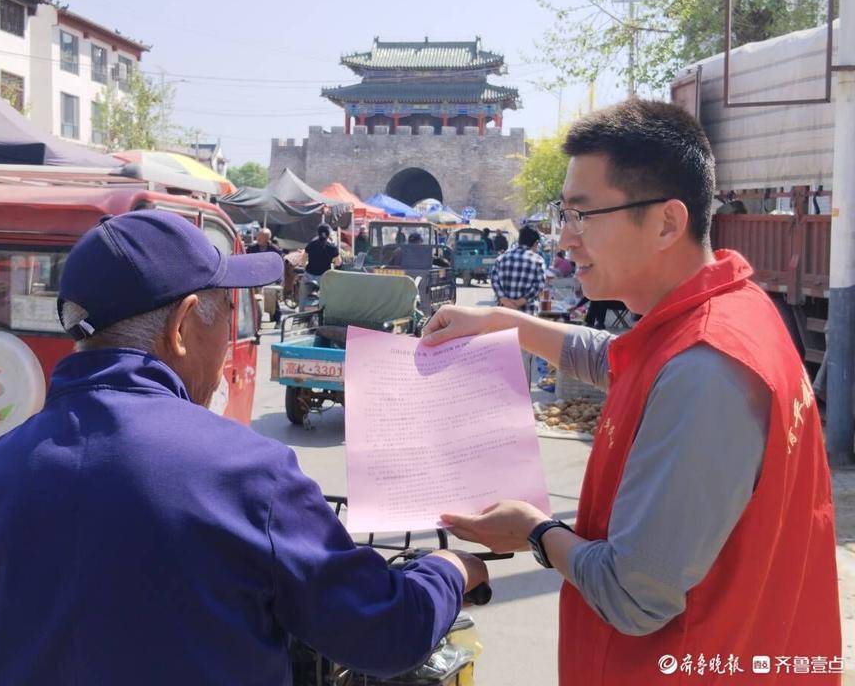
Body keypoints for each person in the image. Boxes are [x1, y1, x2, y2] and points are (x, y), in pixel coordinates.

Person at [0, 211, 487, 685]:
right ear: (181, 327)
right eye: (227, 314)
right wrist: (451, 569)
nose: (229, 343)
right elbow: (385, 633)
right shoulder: (248, 474)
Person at [422, 99, 841, 685]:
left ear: (667, 222)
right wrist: (500, 322)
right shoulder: (726, 311)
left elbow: (633, 595)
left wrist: (538, 532)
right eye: (563, 213)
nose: (565, 239)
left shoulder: (705, 369)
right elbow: (615, 358)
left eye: (583, 215)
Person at [490, 225, 546, 383]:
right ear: (535, 243)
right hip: (527, 318)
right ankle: (521, 395)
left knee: (503, 359)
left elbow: (494, 279)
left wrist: (504, 300)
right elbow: (539, 285)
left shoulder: (502, 258)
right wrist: (520, 302)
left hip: (503, 316)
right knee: (524, 361)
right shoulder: (538, 260)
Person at [300, 223, 342, 309]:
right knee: (326, 298)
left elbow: (303, 260)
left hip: (309, 275)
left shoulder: (311, 244)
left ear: (318, 233)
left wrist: (305, 266)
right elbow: (338, 263)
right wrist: (332, 262)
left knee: (303, 297)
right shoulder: (332, 248)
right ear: (329, 234)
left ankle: (301, 314)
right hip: (324, 277)